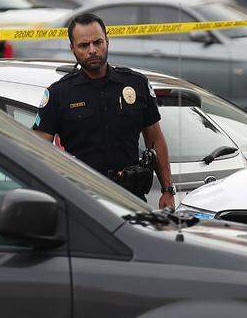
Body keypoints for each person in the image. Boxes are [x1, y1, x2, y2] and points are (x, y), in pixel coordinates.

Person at [33, 12, 176, 209]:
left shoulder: (136, 84)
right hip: (84, 202)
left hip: (131, 199)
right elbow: (38, 150)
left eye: (97, 42)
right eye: (83, 45)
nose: (92, 50)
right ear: (72, 49)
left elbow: (155, 139)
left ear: (107, 41)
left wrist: (167, 189)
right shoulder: (59, 94)